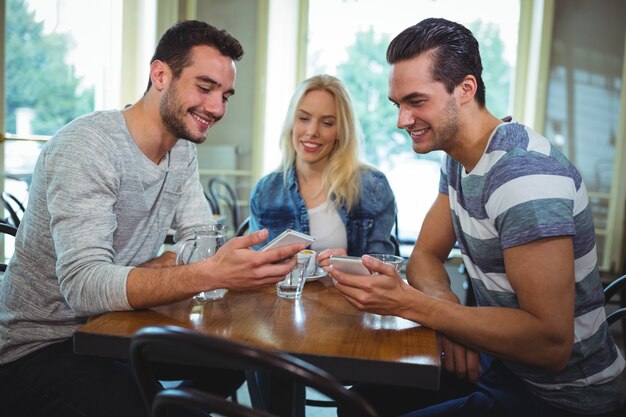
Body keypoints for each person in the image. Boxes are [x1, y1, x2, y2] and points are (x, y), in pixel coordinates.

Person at [0, 20, 306, 417]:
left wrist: (197, 263)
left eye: (225, 95)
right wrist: (207, 271)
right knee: (130, 397)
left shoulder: (181, 151)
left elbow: (199, 238)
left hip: (118, 325)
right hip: (38, 346)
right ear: (160, 74)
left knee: (237, 358)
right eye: (205, 87)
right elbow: (84, 286)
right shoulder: (88, 147)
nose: (217, 108)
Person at [331, 18, 626, 417]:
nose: (402, 120)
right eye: (397, 104)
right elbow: (425, 258)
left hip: (565, 398)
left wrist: (421, 308)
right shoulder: (459, 160)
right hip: (505, 367)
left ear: (466, 89)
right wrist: (452, 319)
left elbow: (551, 345)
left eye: (416, 102)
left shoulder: (524, 176)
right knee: (359, 402)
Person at [249, 74, 397, 267]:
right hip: (282, 298)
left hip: (347, 297)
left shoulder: (373, 186)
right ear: (291, 123)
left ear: (341, 131)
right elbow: (254, 269)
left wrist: (350, 265)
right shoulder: (265, 191)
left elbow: (383, 271)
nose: (312, 131)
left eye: (327, 123)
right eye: (303, 118)